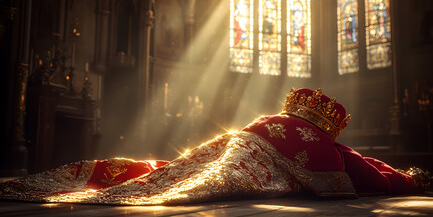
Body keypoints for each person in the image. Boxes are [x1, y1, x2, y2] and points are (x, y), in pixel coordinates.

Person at [0, 88, 430, 205]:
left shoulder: (270, 120)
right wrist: (408, 180)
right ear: (325, 128)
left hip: (235, 141)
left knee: (175, 168)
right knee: (205, 179)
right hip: (243, 159)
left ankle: (82, 176)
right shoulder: (322, 143)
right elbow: (364, 171)